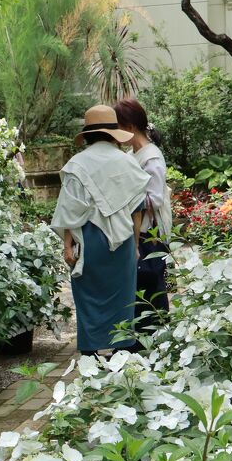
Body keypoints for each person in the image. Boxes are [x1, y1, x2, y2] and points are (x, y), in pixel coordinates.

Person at [51, 104, 150, 354]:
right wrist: (136, 245)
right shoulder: (126, 162)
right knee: (123, 296)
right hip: (124, 239)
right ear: (113, 133)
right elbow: (137, 209)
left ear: (88, 134)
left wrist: (66, 246)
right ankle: (123, 349)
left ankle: (90, 350)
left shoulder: (77, 164)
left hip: (89, 239)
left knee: (89, 294)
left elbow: (69, 211)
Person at [114, 97, 172, 324]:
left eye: (118, 127)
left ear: (129, 127)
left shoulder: (152, 157)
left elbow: (155, 198)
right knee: (138, 284)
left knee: (152, 283)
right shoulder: (132, 156)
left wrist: (126, 198)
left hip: (150, 233)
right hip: (135, 230)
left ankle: (155, 335)